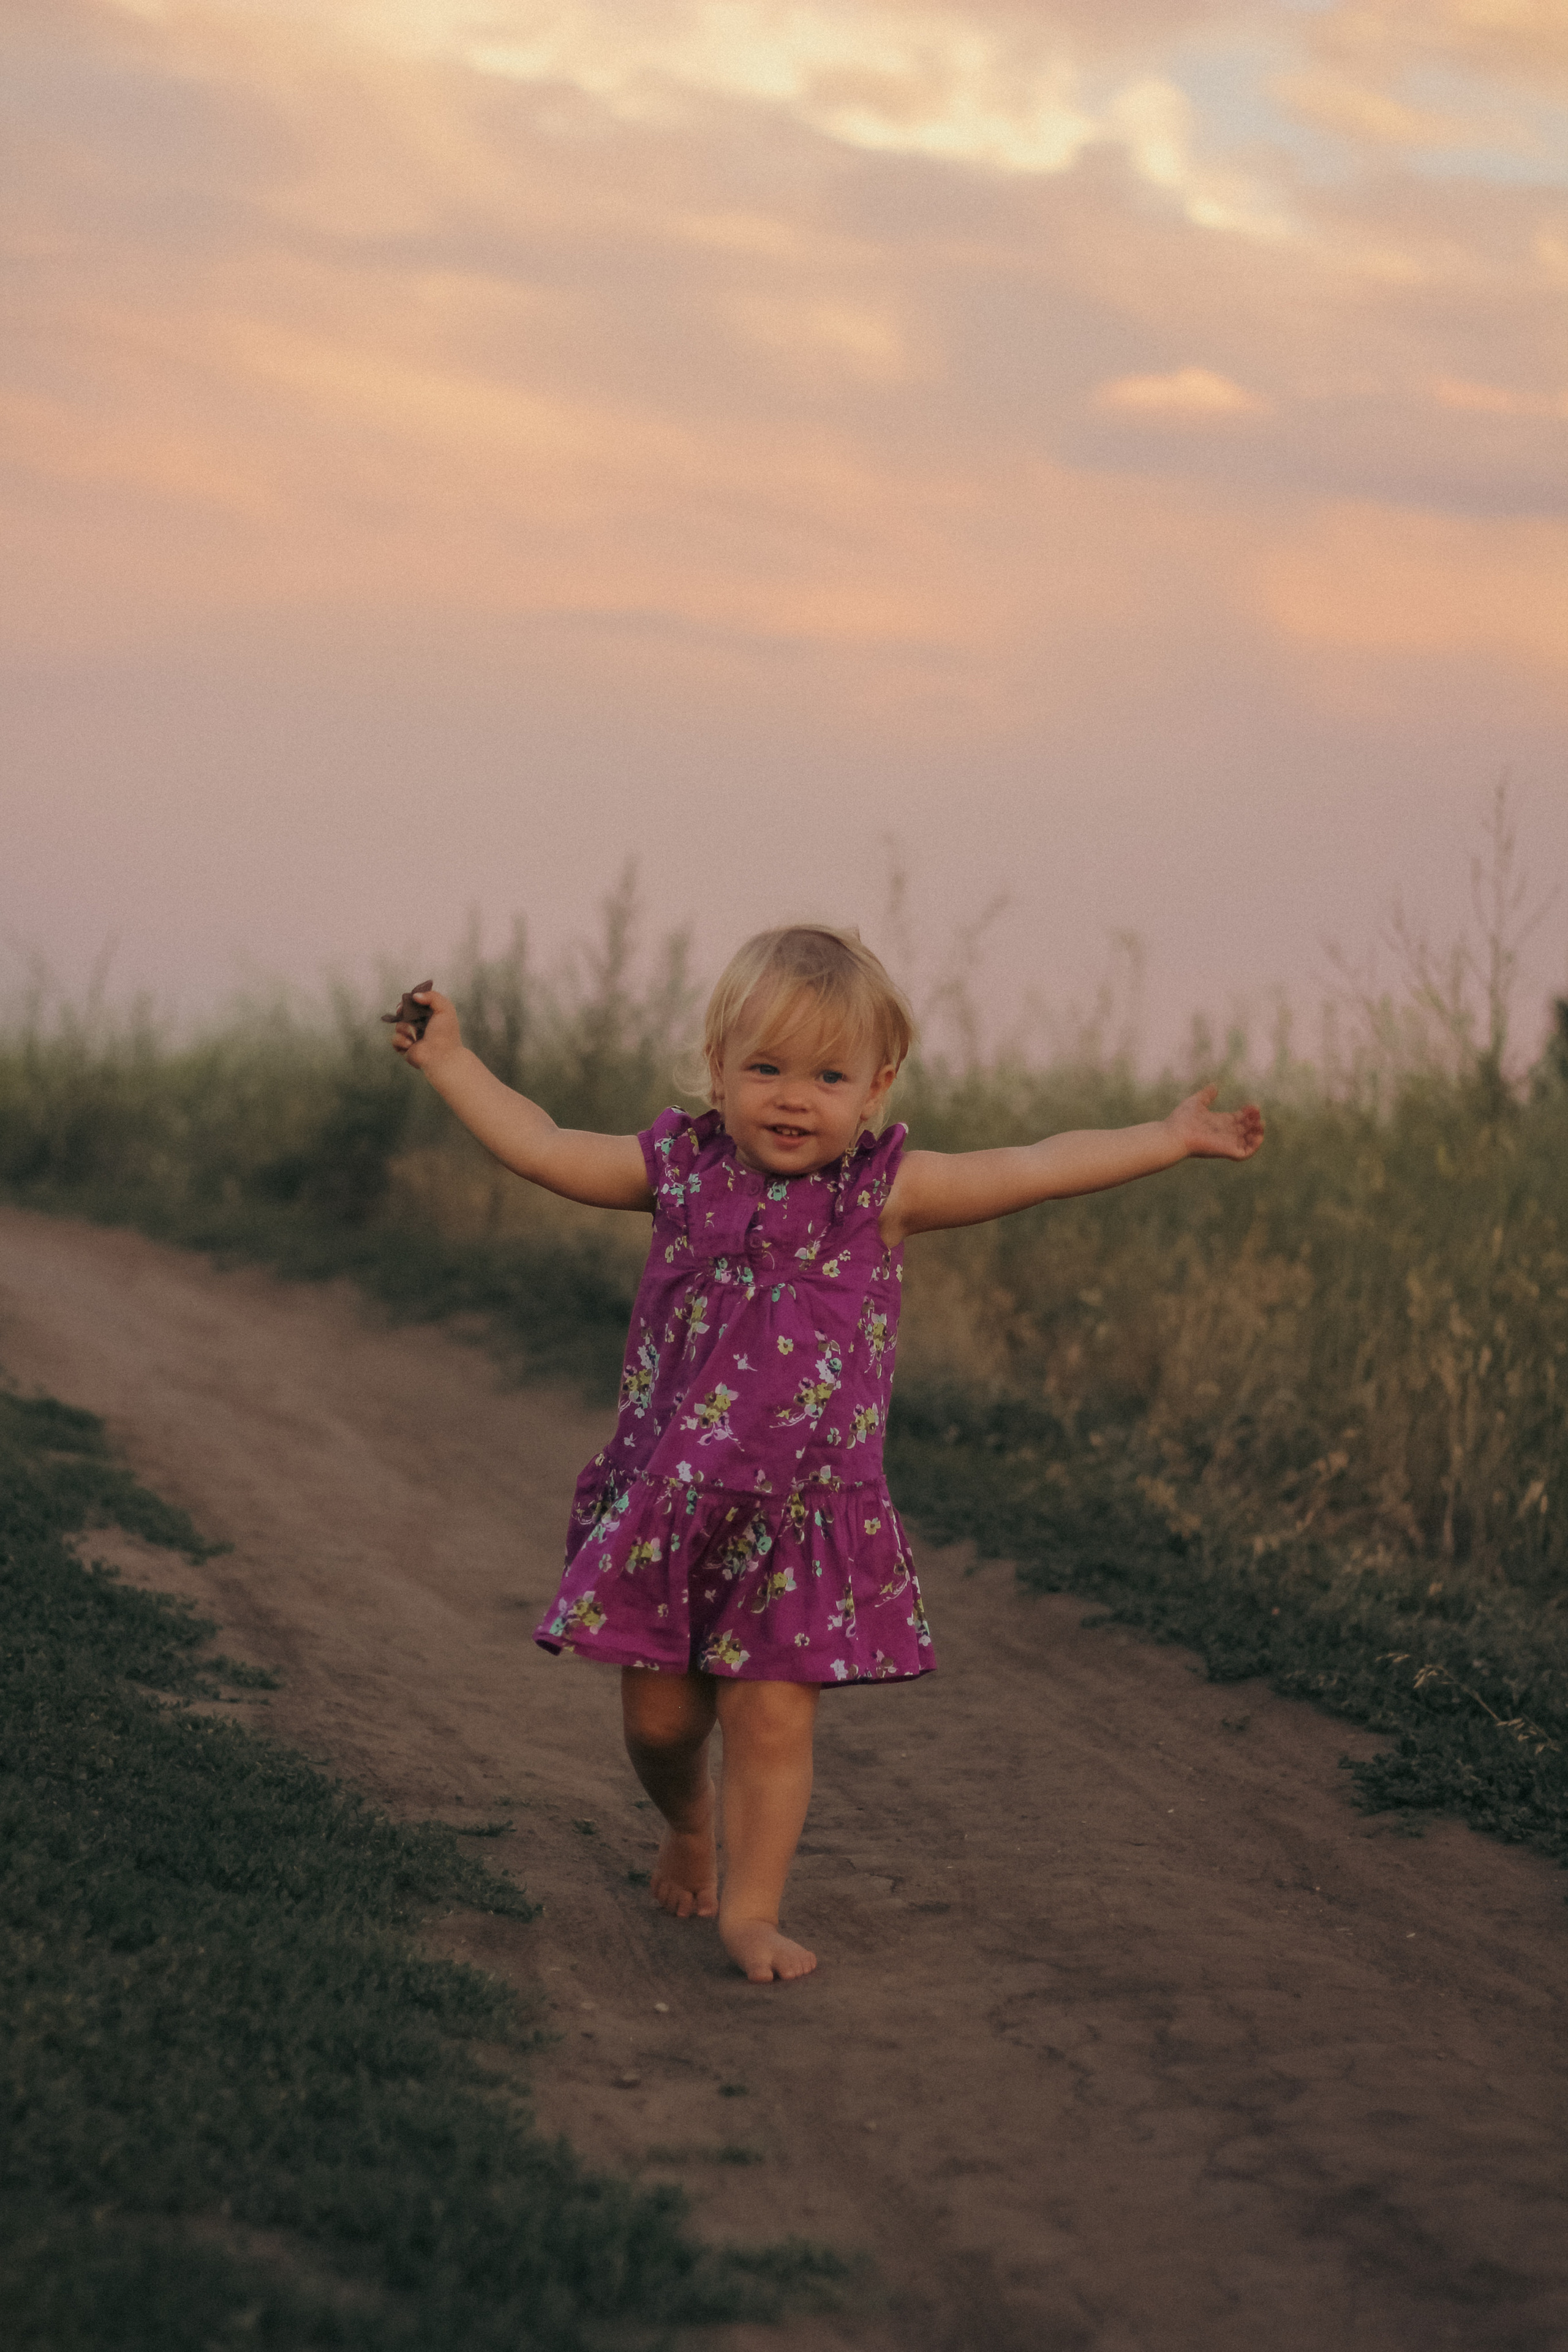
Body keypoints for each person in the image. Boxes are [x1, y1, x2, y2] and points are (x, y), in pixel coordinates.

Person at [391, 924, 1263, 1983]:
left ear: (877, 1086)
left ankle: (752, 1913)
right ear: (716, 1069)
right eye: (765, 1068)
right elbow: (541, 1145)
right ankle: (687, 1822)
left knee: (769, 1719)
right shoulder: (677, 1171)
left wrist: (1166, 1138)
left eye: (827, 1074)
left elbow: (1031, 1166)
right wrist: (451, 1060)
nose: (794, 1098)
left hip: (798, 1516)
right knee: (662, 1724)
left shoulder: (883, 1195)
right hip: (673, 1500)